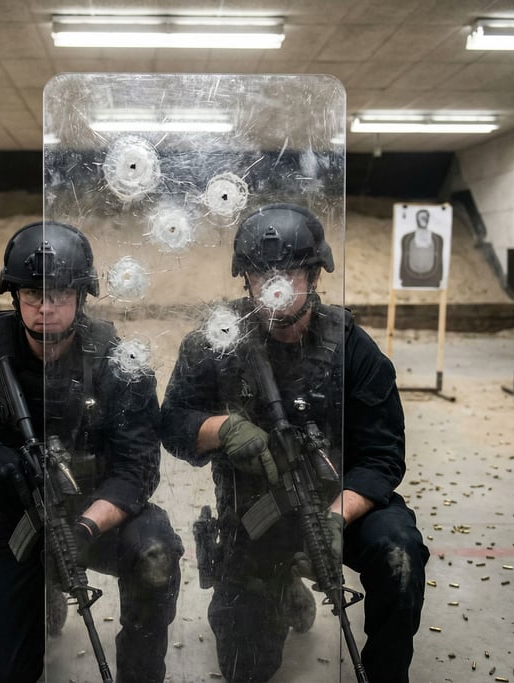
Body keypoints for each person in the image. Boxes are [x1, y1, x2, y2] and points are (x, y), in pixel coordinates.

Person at [161, 203, 429, 683]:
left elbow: (382, 456)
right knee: (246, 665)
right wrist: (222, 428)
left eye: (290, 272)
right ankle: (282, 580)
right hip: (255, 510)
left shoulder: (351, 347)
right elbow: (175, 422)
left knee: (399, 553)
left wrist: (336, 516)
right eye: (263, 275)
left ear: (313, 275)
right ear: (245, 281)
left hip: (341, 502)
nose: (277, 286)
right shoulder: (214, 343)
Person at [0, 221, 183, 683]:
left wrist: (86, 526)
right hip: (18, 519)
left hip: (98, 515)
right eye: (32, 295)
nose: (45, 308)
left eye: (59, 295)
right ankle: (39, 591)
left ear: (81, 297)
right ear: (14, 296)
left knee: (156, 554)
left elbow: (138, 466)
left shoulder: (117, 361)